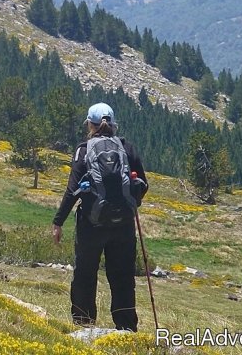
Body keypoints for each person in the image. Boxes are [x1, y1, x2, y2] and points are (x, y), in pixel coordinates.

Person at [52, 102, 148, 331]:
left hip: (91, 225)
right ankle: (126, 328)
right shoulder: (127, 148)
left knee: (85, 275)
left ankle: (84, 325)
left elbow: (71, 191)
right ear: (113, 125)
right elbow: (143, 184)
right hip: (123, 225)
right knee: (123, 278)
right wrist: (133, 202)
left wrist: (58, 222)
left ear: (90, 125)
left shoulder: (83, 150)